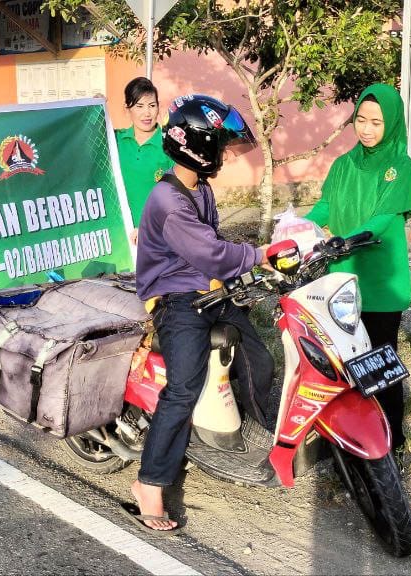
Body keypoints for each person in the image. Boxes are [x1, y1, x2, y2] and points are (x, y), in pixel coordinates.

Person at [127, 94, 272, 532]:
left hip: (207, 291)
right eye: (221, 147)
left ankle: (258, 431)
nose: (226, 155)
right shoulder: (167, 201)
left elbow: (214, 248)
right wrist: (261, 253)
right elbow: (212, 253)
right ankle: (149, 483)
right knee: (183, 388)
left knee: (258, 356)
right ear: (198, 147)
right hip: (175, 300)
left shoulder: (200, 189)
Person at [304, 83, 411, 445]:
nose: (367, 129)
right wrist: (300, 226)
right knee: (341, 359)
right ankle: (347, 436)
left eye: (376, 122)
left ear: (392, 124)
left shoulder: (400, 167)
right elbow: (326, 206)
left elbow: (385, 217)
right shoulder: (344, 164)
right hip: (342, 277)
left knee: (380, 362)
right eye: (361, 120)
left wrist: (348, 239)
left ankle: (390, 440)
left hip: (380, 280)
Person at [114, 77, 175, 243]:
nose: (147, 113)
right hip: (120, 238)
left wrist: (149, 227)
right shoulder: (115, 140)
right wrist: (95, 108)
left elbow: (178, 197)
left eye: (152, 105)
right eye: (139, 106)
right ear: (127, 108)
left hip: (159, 236)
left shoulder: (170, 144)